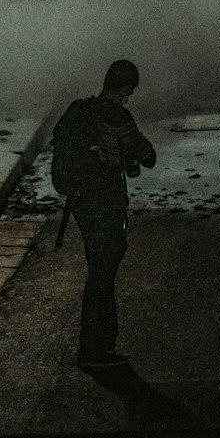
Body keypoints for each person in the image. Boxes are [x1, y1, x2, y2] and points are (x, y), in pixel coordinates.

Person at [51, 59, 156, 369]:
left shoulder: (78, 109)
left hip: (81, 203)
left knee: (99, 268)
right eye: (130, 92)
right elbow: (148, 156)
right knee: (103, 274)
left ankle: (98, 346)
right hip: (106, 202)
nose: (129, 97)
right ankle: (96, 349)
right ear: (124, 88)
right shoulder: (117, 116)